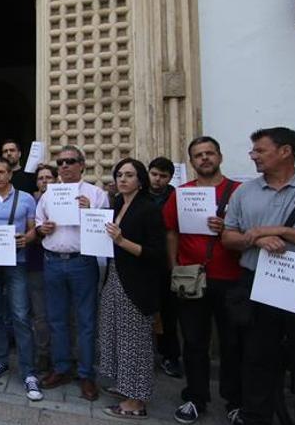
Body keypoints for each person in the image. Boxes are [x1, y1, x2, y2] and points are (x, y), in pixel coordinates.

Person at [222, 127, 295, 425]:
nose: (253, 156)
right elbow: (228, 237)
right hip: (260, 286)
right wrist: (255, 239)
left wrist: (284, 231)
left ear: (285, 151)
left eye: (260, 150)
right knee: (257, 362)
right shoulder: (245, 191)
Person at [165, 137, 243, 424]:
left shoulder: (239, 192)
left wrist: (228, 228)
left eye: (209, 153)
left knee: (232, 343)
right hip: (191, 277)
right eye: (198, 155)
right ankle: (195, 397)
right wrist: (173, 266)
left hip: (231, 278)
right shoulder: (182, 193)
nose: (204, 158)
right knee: (195, 341)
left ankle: (235, 400)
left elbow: (250, 232)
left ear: (220, 156)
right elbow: (171, 232)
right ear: (192, 161)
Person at [36, 145, 110, 400]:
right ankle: (62, 368)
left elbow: (105, 230)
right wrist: (42, 228)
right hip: (53, 261)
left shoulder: (96, 194)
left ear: (82, 164)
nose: (64, 166)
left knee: (86, 321)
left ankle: (87, 374)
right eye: (60, 162)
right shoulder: (48, 195)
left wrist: (90, 211)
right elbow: (38, 223)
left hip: (82, 263)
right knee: (56, 319)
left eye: (70, 161)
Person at [99, 158, 166, 420]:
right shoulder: (118, 203)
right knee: (115, 333)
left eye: (129, 174)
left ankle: (136, 403)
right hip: (116, 276)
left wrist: (122, 241)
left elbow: (156, 253)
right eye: (119, 175)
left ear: (141, 179)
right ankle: (125, 386)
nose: (123, 179)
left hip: (137, 283)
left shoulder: (148, 209)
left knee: (134, 341)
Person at [0, 157, 43, 401]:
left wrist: (29, 237)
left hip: (17, 263)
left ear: (10, 174)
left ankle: (28, 372)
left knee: (21, 316)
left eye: (2, 172)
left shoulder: (25, 199)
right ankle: (0, 360)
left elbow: (34, 229)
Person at [147, 156, 182, 378]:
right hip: (143, 262)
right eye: (154, 174)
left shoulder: (177, 197)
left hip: (167, 263)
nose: (158, 179)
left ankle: (171, 356)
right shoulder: (138, 195)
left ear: (170, 178)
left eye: (163, 176)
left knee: (169, 313)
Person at [26, 164, 57, 371]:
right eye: (40, 178)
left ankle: (64, 355)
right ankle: (43, 353)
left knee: (61, 313)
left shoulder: (68, 200)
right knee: (40, 314)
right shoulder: (30, 202)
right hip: (35, 262)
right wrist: (37, 231)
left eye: (48, 177)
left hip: (59, 262)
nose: (44, 181)